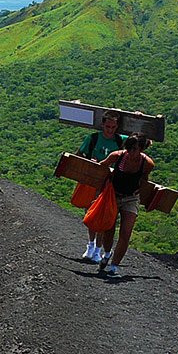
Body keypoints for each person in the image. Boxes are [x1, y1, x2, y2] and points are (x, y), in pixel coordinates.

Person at [97, 133, 154, 277]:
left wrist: (145, 199)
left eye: (136, 149)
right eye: (130, 149)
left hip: (132, 198)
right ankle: (107, 254)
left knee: (126, 233)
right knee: (109, 229)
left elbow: (144, 181)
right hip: (114, 195)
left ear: (141, 149)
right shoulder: (117, 156)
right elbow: (102, 166)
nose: (132, 153)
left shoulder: (147, 163)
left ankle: (114, 267)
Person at [75, 110, 127, 263]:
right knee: (90, 213)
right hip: (93, 181)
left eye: (113, 127)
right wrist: (89, 161)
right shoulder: (93, 138)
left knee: (103, 215)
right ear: (103, 125)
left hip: (110, 184)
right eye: (108, 126)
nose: (110, 130)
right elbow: (78, 155)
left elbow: (143, 143)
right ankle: (90, 246)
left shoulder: (121, 140)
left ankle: (98, 249)